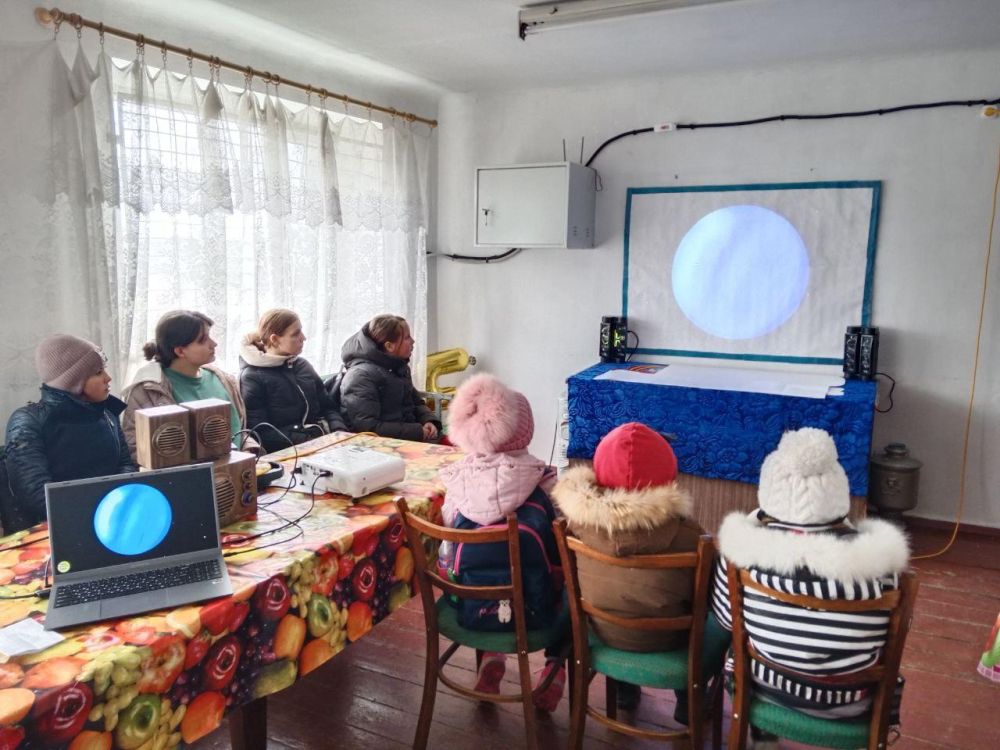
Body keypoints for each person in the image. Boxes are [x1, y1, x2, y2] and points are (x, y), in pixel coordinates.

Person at [711, 427, 910, 745]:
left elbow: (725, 620)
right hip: (851, 700)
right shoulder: (883, 564)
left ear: (769, 491)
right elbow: (891, 638)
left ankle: (763, 735)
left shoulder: (741, 553)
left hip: (762, 685)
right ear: (839, 493)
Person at [552, 421, 707, 716]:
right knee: (703, 614)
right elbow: (706, 597)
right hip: (670, 639)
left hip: (602, 632)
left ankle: (623, 687)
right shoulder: (691, 535)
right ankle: (688, 699)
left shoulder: (577, 525)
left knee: (614, 591)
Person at [438, 374, 565, 711]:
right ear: (525, 432)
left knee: (481, 567)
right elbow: (564, 536)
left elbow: (449, 530)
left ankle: (490, 655)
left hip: (468, 605)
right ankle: (554, 667)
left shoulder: (457, 482)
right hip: (534, 608)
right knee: (573, 591)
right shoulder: (544, 479)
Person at [2, 334, 136, 532]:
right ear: (73, 381)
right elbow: (37, 495)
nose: (108, 378)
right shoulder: (29, 420)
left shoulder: (107, 411)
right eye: (98, 372)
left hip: (112, 520)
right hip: (54, 529)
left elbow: (125, 465)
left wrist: (116, 506)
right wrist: (94, 514)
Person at [122, 310, 250, 458]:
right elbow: (137, 448)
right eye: (203, 340)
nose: (214, 344)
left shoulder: (223, 379)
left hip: (236, 473)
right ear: (180, 351)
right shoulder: (148, 390)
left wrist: (250, 449)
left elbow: (239, 430)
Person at [238, 309, 347, 453]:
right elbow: (260, 432)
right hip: (291, 452)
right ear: (275, 339)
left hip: (322, 442)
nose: (304, 338)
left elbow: (328, 406)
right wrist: (310, 441)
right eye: (296, 334)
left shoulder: (302, 365)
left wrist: (338, 430)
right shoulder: (252, 377)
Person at [338, 315, 441, 441]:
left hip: (410, 439)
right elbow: (367, 428)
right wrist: (417, 431)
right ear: (389, 346)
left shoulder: (398, 366)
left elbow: (416, 402)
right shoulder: (360, 377)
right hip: (383, 448)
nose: (413, 341)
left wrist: (428, 421)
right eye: (407, 337)